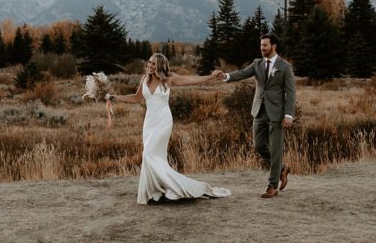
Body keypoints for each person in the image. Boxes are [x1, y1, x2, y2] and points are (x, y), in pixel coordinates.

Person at [106, 53, 231, 204]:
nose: (150, 66)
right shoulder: (145, 79)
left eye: (153, 64)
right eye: (149, 62)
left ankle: (176, 188)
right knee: (156, 157)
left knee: (148, 154)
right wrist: (115, 97)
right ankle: (157, 190)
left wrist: (210, 76)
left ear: (160, 66)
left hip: (163, 121)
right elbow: (136, 98)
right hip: (149, 123)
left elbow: (191, 80)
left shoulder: (169, 78)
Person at [212, 33, 295, 198]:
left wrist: (289, 115)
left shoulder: (285, 67)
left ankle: (272, 186)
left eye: (265, 45)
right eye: (261, 45)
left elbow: (291, 93)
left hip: (277, 114)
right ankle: (282, 168)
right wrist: (226, 76)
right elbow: (242, 73)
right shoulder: (257, 64)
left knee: (276, 150)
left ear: (274, 46)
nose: (262, 48)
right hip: (259, 111)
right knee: (258, 145)